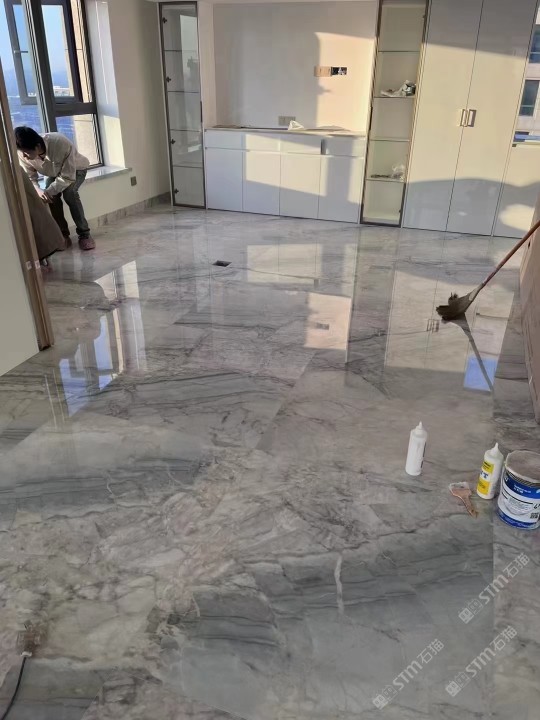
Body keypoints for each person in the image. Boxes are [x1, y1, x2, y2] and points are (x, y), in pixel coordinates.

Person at [15, 126, 95, 251]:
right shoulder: (22, 153)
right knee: (51, 198)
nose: (24, 156)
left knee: (70, 194)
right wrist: (38, 190)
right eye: (22, 153)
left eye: (27, 153)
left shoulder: (59, 143)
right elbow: (31, 177)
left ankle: (84, 234)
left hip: (76, 170)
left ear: (37, 146)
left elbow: (67, 177)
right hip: (53, 173)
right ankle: (62, 236)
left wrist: (47, 191)